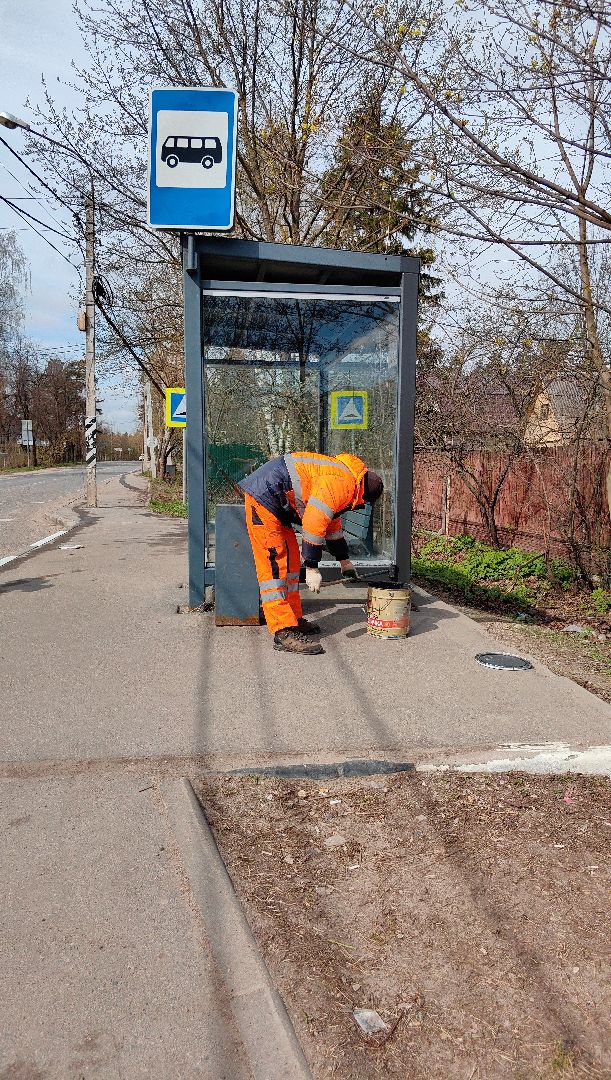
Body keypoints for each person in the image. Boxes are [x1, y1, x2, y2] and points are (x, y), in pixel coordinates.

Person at [239, 450, 384, 654]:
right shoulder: (342, 485)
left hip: (275, 501)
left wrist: (344, 561)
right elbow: (314, 524)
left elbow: (331, 525)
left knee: (290, 564)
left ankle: (293, 619)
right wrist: (312, 567)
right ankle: (283, 631)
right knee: (275, 567)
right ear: (364, 496)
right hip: (264, 498)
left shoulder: (346, 479)